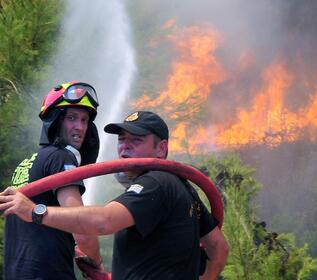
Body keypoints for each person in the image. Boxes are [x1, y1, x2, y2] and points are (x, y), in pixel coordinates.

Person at [0, 111, 229, 280]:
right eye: (122, 140)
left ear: (161, 148)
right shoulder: (182, 186)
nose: (124, 148)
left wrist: (35, 211)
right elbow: (219, 248)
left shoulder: (155, 182)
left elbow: (103, 222)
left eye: (136, 140)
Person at [3, 81, 105, 279]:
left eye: (84, 120)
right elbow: (81, 227)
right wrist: (97, 265)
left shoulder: (28, 163)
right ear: (56, 121)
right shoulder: (61, 158)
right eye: (72, 118)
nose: (80, 127)